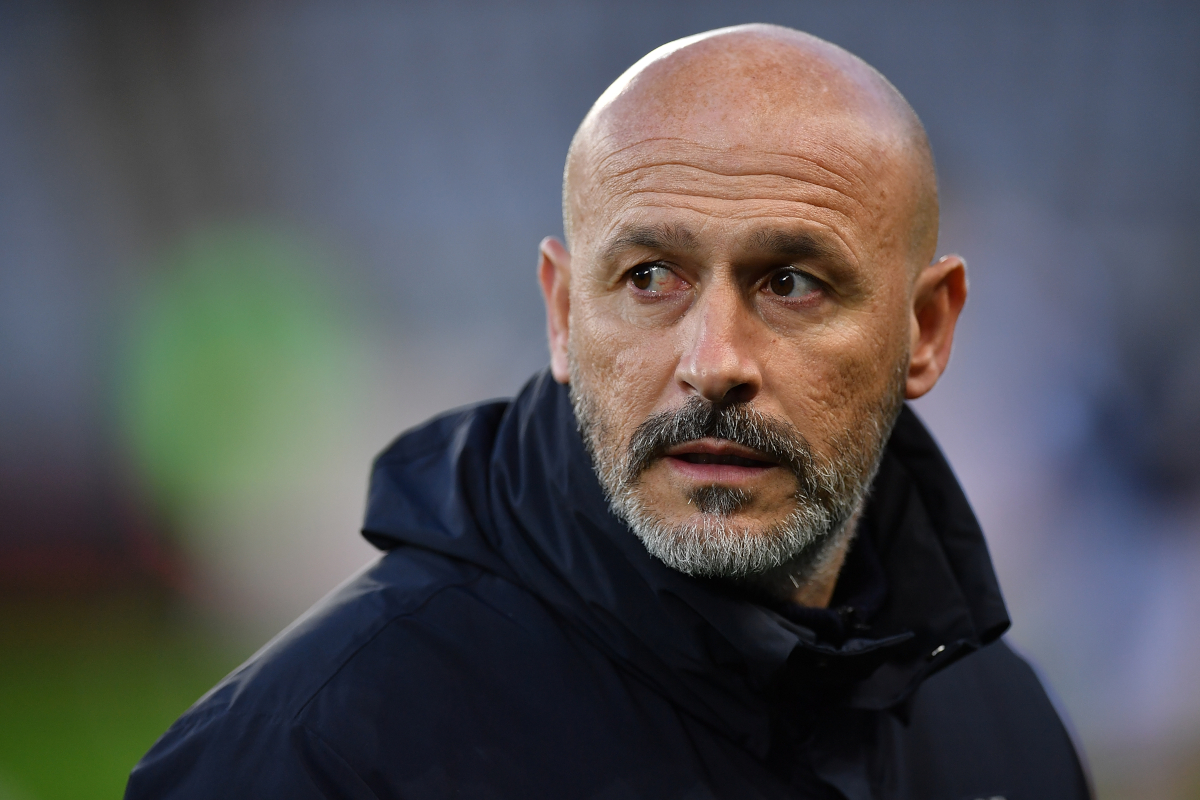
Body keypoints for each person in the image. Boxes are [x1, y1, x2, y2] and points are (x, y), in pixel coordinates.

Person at [126, 24, 1091, 799]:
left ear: (924, 328)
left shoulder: (1005, 734)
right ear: (561, 313)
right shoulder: (316, 757)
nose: (713, 363)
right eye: (651, 277)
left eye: (792, 282)